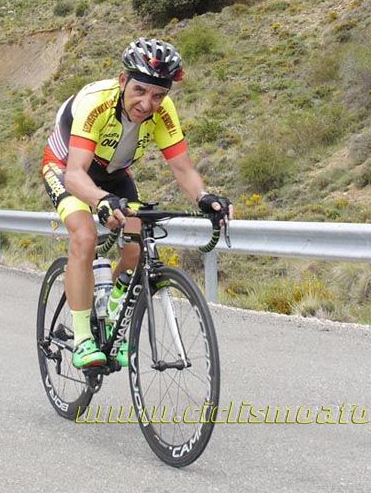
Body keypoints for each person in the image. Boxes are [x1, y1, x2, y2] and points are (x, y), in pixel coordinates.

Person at [41, 38, 233, 369]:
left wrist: (204, 197)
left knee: (137, 243)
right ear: (122, 81)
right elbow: (75, 175)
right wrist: (100, 201)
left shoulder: (164, 112)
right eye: (140, 91)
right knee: (84, 236)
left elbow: (182, 168)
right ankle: (85, 338)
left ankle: (114, 306)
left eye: (159, 95)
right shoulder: (96, 102)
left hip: (114, 172)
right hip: (66, 166)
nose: (148, 103)